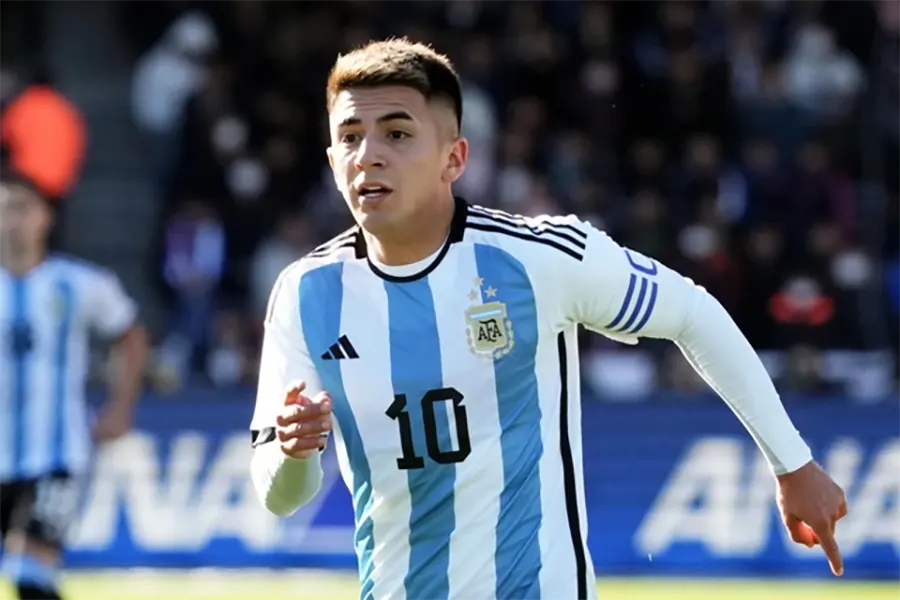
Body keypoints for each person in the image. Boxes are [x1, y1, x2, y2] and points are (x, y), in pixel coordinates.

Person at [249, 39, 848, 600]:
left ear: (454, 158)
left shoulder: (536, 258)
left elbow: (694, 314)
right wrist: (295, 453)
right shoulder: (305, 293)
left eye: (398, 133)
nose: (368, 156)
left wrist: (792, 464)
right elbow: (280, 496)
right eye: (350, 137)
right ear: (331, 159)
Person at [0, 170, 148, 600]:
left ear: (44, 217)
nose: (11, 220)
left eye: (21, 209)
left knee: (31, 572)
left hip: (56, 455)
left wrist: (121, 406)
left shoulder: (79, 284)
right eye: (3, 210)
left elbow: (131, 335)